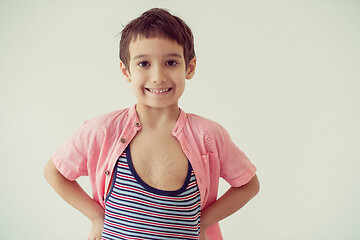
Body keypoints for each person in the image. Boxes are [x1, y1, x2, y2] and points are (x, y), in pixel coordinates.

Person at [44, 8, 260, 240]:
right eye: (144, 64)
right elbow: (55, 172)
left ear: (190, 67)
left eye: (170, 62)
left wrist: (204, 222)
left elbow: (248, 185)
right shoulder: (101, 131)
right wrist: (97, 217)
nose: (158, 76)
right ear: (126, 71)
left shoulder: (209, 135)